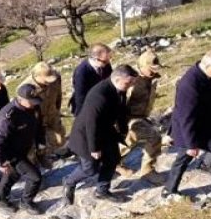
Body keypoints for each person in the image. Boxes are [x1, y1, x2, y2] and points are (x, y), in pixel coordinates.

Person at [162, 50, 211, 202]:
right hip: (191, 129)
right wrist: (191, 144)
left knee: (183, 159)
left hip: (203, 125)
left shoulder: (207, 75)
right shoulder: (189, 85)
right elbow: (186, 116)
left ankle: (169, 189)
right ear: (208, 65)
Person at [63, 65, 136, 206]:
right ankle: (69, 182)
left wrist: (123, 130)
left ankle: (102, 191)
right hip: (86, 136)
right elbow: (92, 124)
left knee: (113, 159)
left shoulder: (120, 88)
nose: (131, 85)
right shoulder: (99, 95)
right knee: (90, 169)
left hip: (105, 131)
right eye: (128, 83)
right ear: (117, 78)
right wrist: (94, 148)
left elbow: (120, 109)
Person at [0, 84, 46, 214]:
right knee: (35, 177)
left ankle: (0, 199)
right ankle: (26, 202)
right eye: (31, 102)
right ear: (21, 99)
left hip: (24, 148)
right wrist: (1, 162)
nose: (34, 104)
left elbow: (38, 126)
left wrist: (41, 143)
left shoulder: (34, 107)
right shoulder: (8, 116)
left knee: (12, 174)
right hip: (11, 153)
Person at [118, 51, 164, 183]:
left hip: (142, 116)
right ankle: (147, 171)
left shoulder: (151, 78)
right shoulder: (131, 81)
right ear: (142, 66)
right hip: (130, 118)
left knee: (127, 143)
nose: (153, 72)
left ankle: (112, 162)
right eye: (151, 69)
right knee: (154, 138)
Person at [18, 61, 65, 159]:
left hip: (52, 114)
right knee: (38, 144)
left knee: (60, 137)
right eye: (46, 80)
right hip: (36, 119)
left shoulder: (56, 78)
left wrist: (57, 109)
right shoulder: (25, 88)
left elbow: (58, 96)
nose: (50, 82)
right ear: (37, 76)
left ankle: (56, 154)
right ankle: (40, 158)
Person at [70, 43, 113, 117]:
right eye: (105, 61)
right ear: (96, 59)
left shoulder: (106, 65)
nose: (108, 63)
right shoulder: (81, 72)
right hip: (87, 106)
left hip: (101, 103)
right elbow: (80, 97)